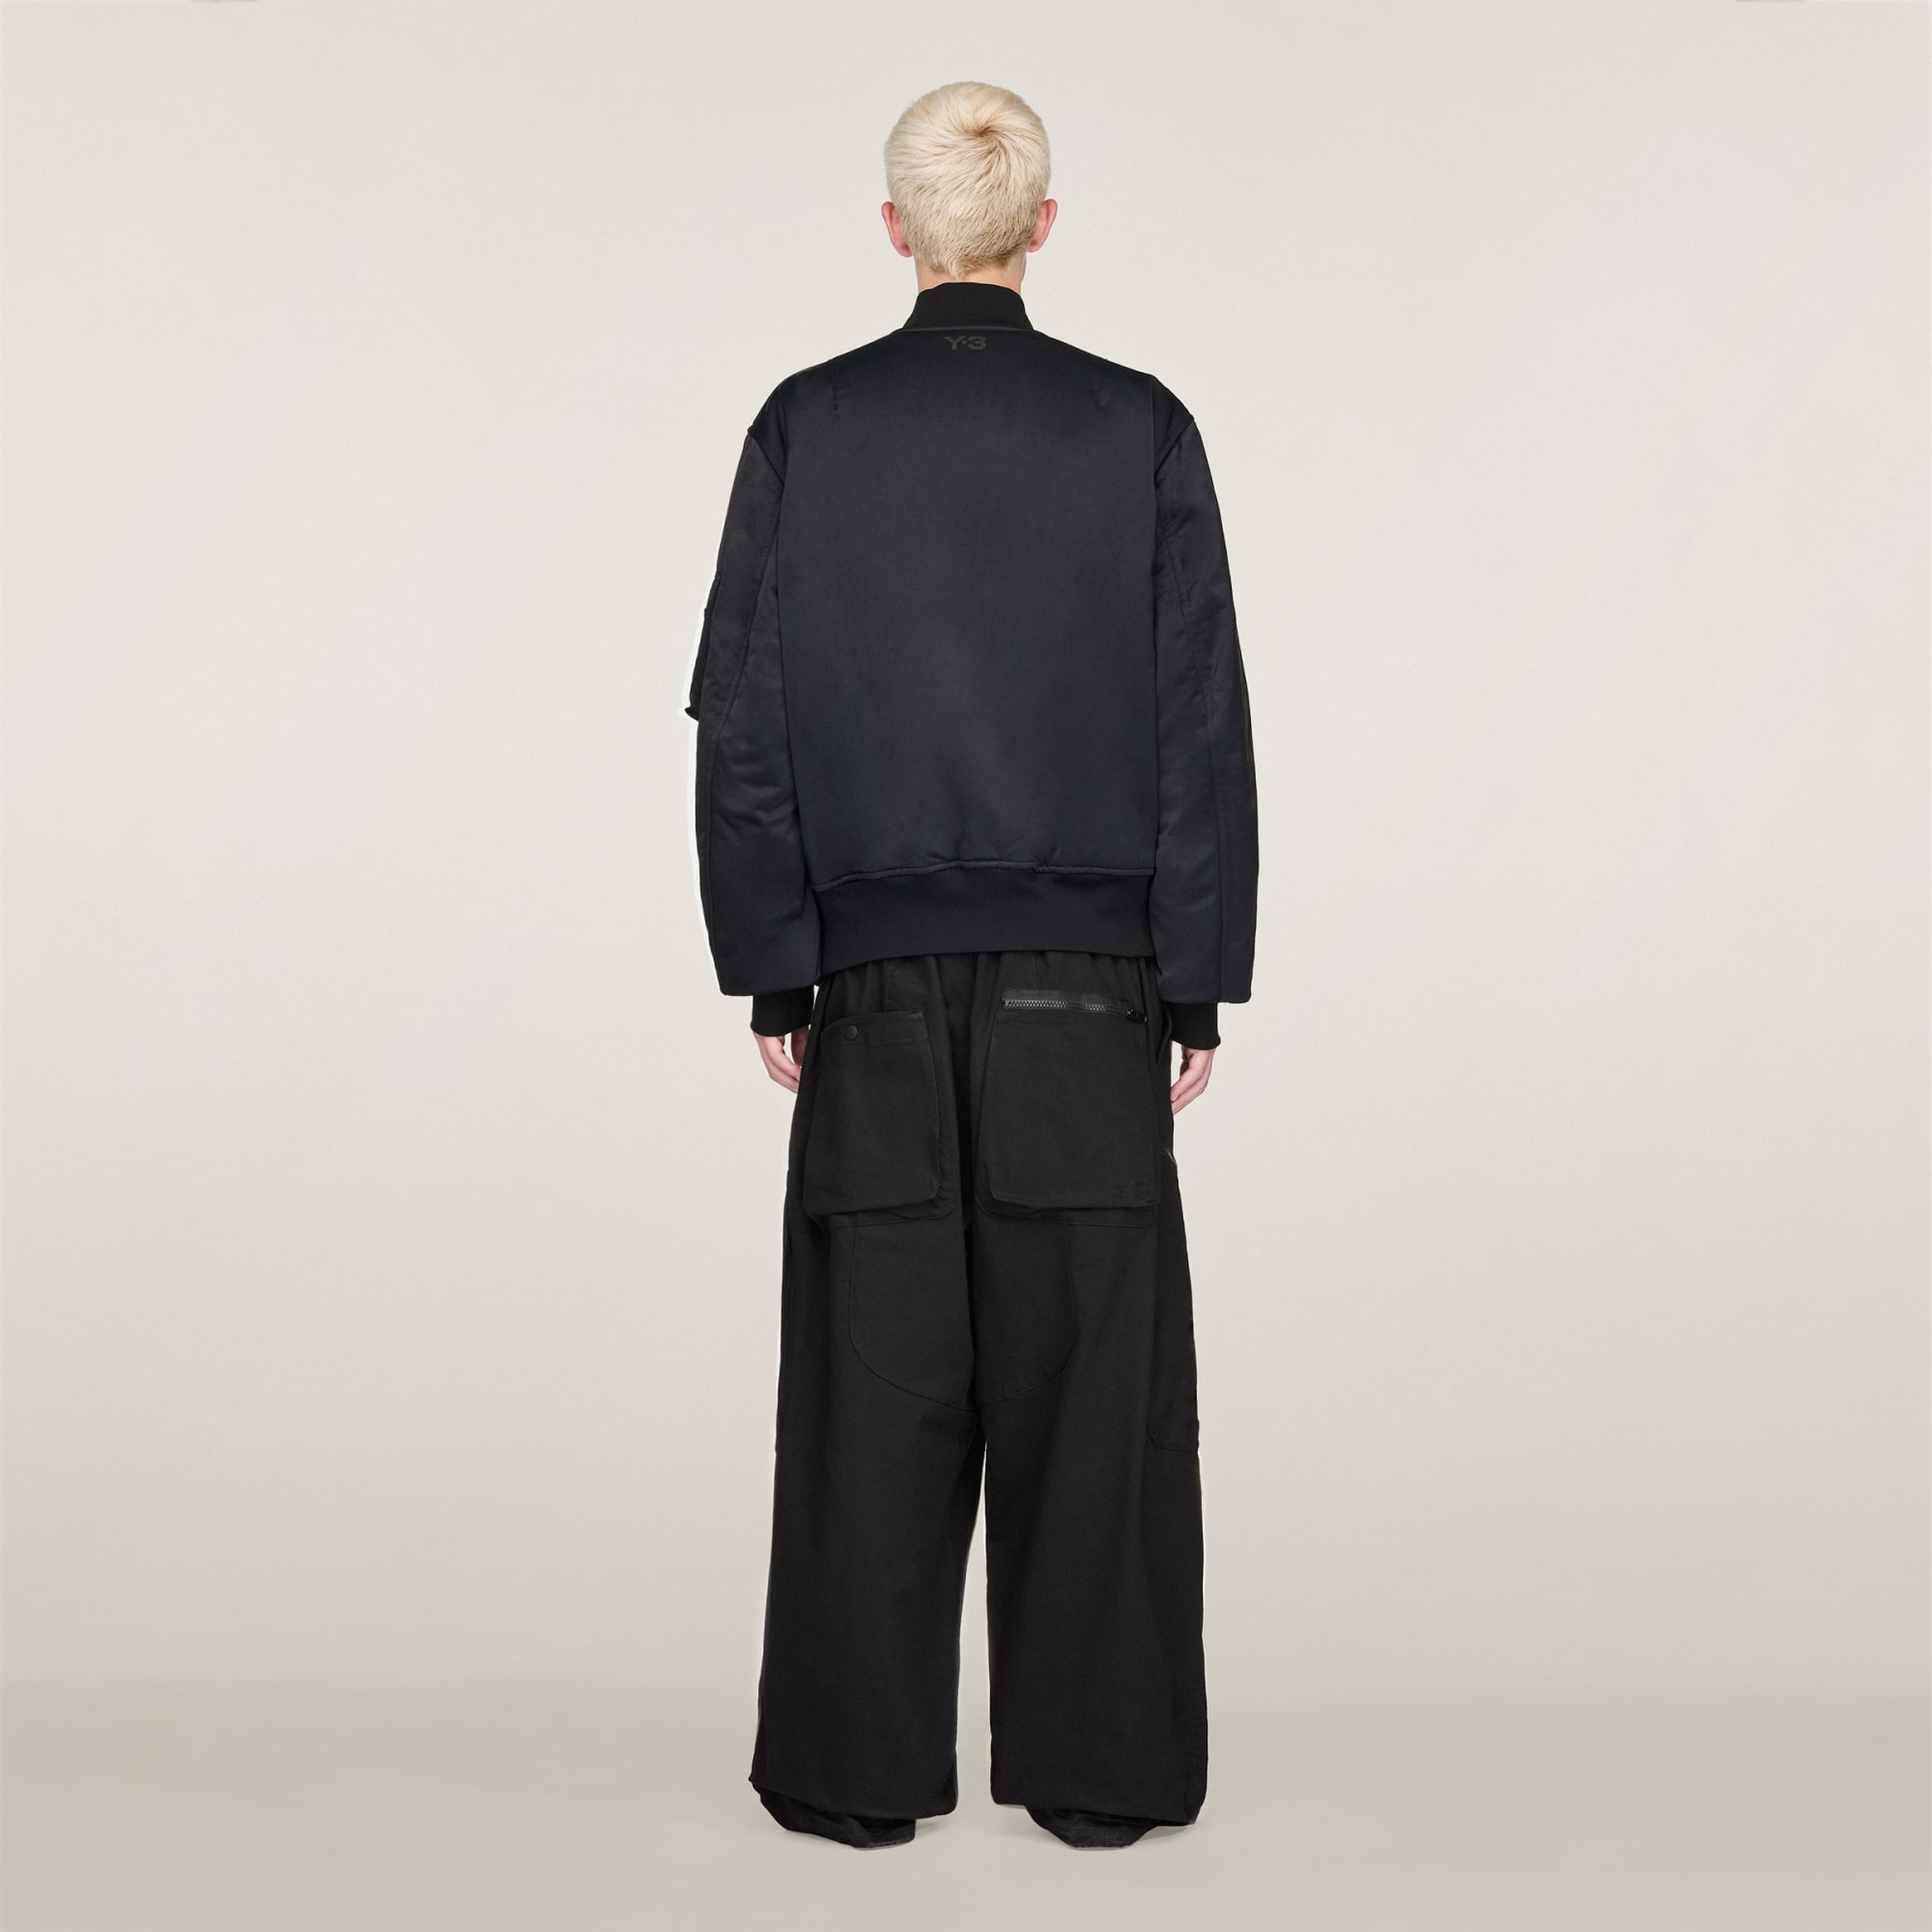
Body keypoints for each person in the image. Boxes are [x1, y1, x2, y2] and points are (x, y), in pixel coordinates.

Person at [686, 79, 1259, 1851]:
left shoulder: (806, 426)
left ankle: (852, 1780)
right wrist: (1192, 977)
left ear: (895, 230)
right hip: (1088, 997)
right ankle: (1101, 1780)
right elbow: (1197, 719)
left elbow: (742, 721)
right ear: (1042, 227)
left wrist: (780, 965)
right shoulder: (1137, 428)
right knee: (1096, 1396)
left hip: (869, 994)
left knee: (871, 1392)